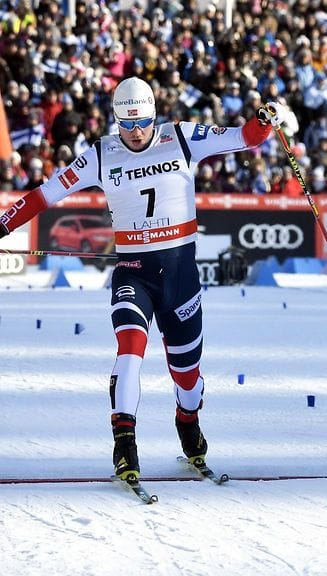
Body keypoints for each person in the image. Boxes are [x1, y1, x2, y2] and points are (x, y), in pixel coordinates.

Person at [0, 77, 288, 483]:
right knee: (129, 349)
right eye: (126, 125)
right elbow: (43, 195)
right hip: (133, 275)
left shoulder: (184, 137)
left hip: (181, 281)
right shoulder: (101, 153)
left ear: (155, 116)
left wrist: (265, 120)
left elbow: (245, 138)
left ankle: (187, 421)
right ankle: (125, 446)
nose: (135, 133)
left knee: (188, 379)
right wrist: (2, 224)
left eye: (143, 123)